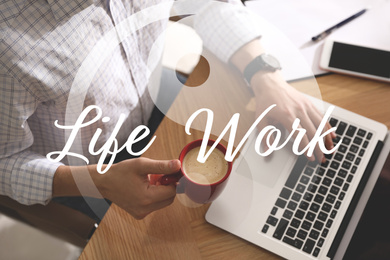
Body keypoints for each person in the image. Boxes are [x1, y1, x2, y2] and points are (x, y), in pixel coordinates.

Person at [0, 0, 335, 245]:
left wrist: (265, 75)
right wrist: (99, 181)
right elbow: (3, 161)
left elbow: (206, 5)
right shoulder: (6, 46)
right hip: (89, 172)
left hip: (160, 102)